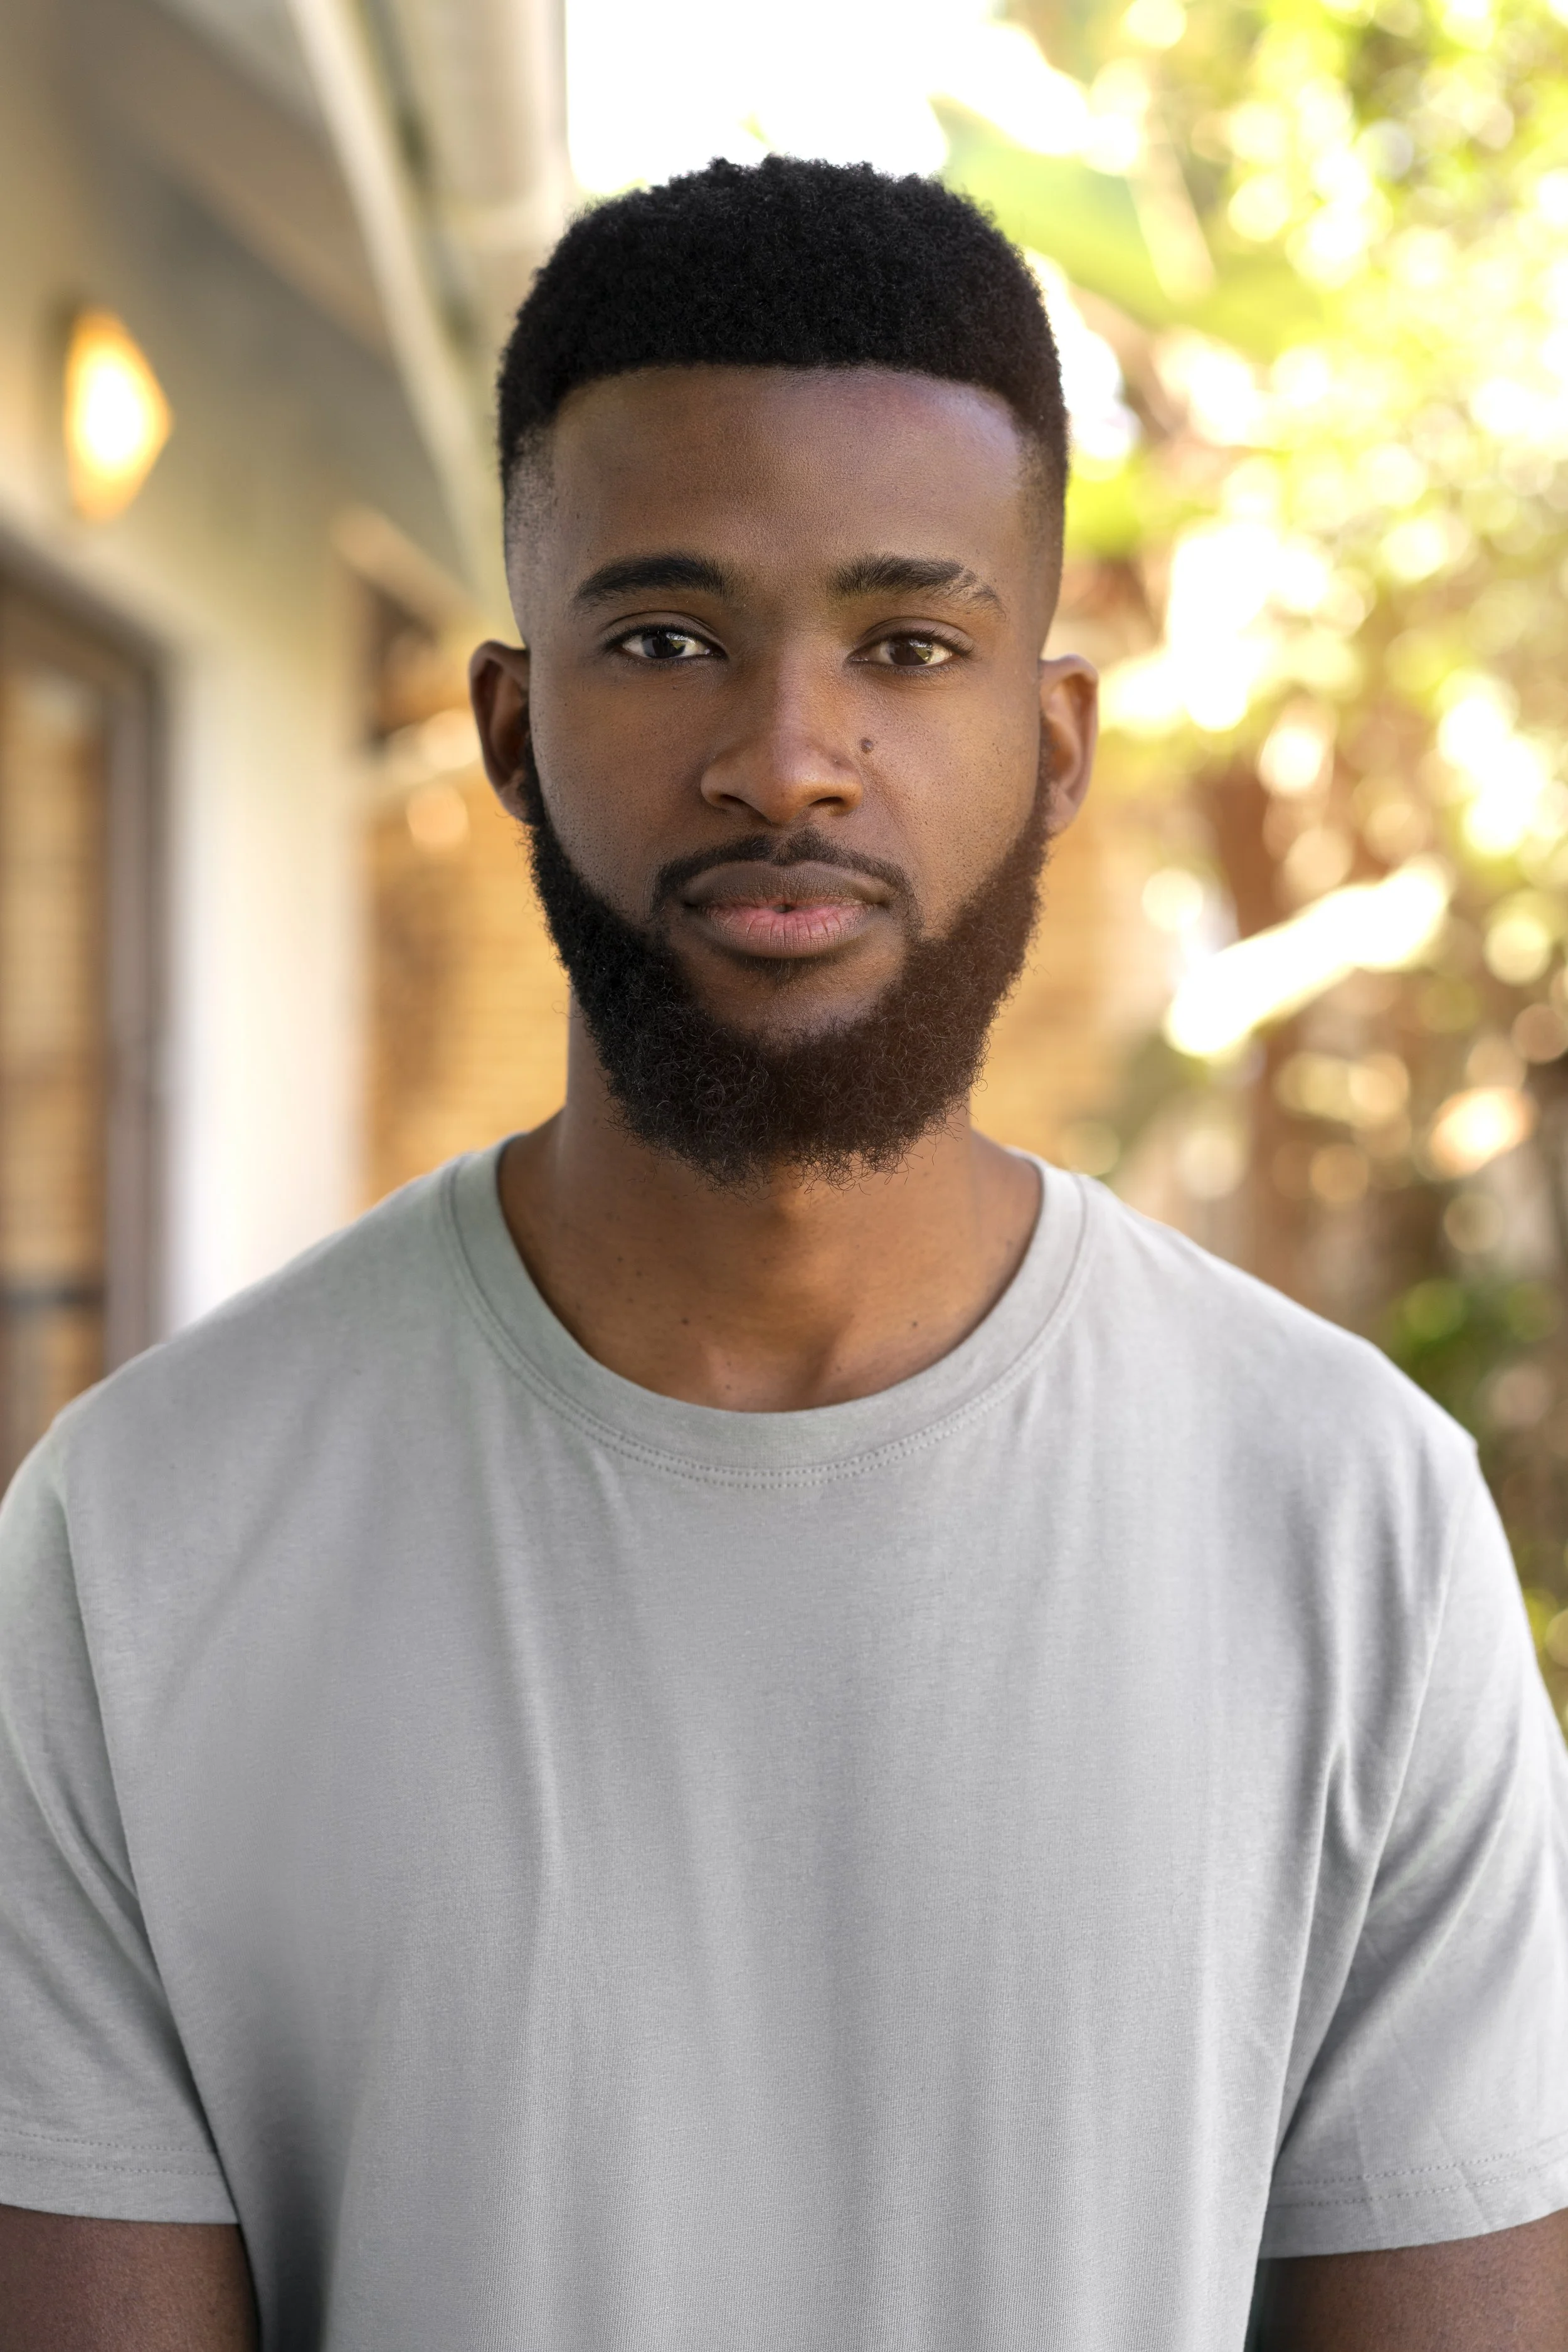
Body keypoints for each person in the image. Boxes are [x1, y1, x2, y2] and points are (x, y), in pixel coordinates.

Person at [1, 156, 1565, 2352]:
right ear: (510, 728)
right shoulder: (141, 1533)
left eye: (907, 644)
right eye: (665, 638)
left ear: (1051, 744)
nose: (787, 759)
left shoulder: (1352, 1525)